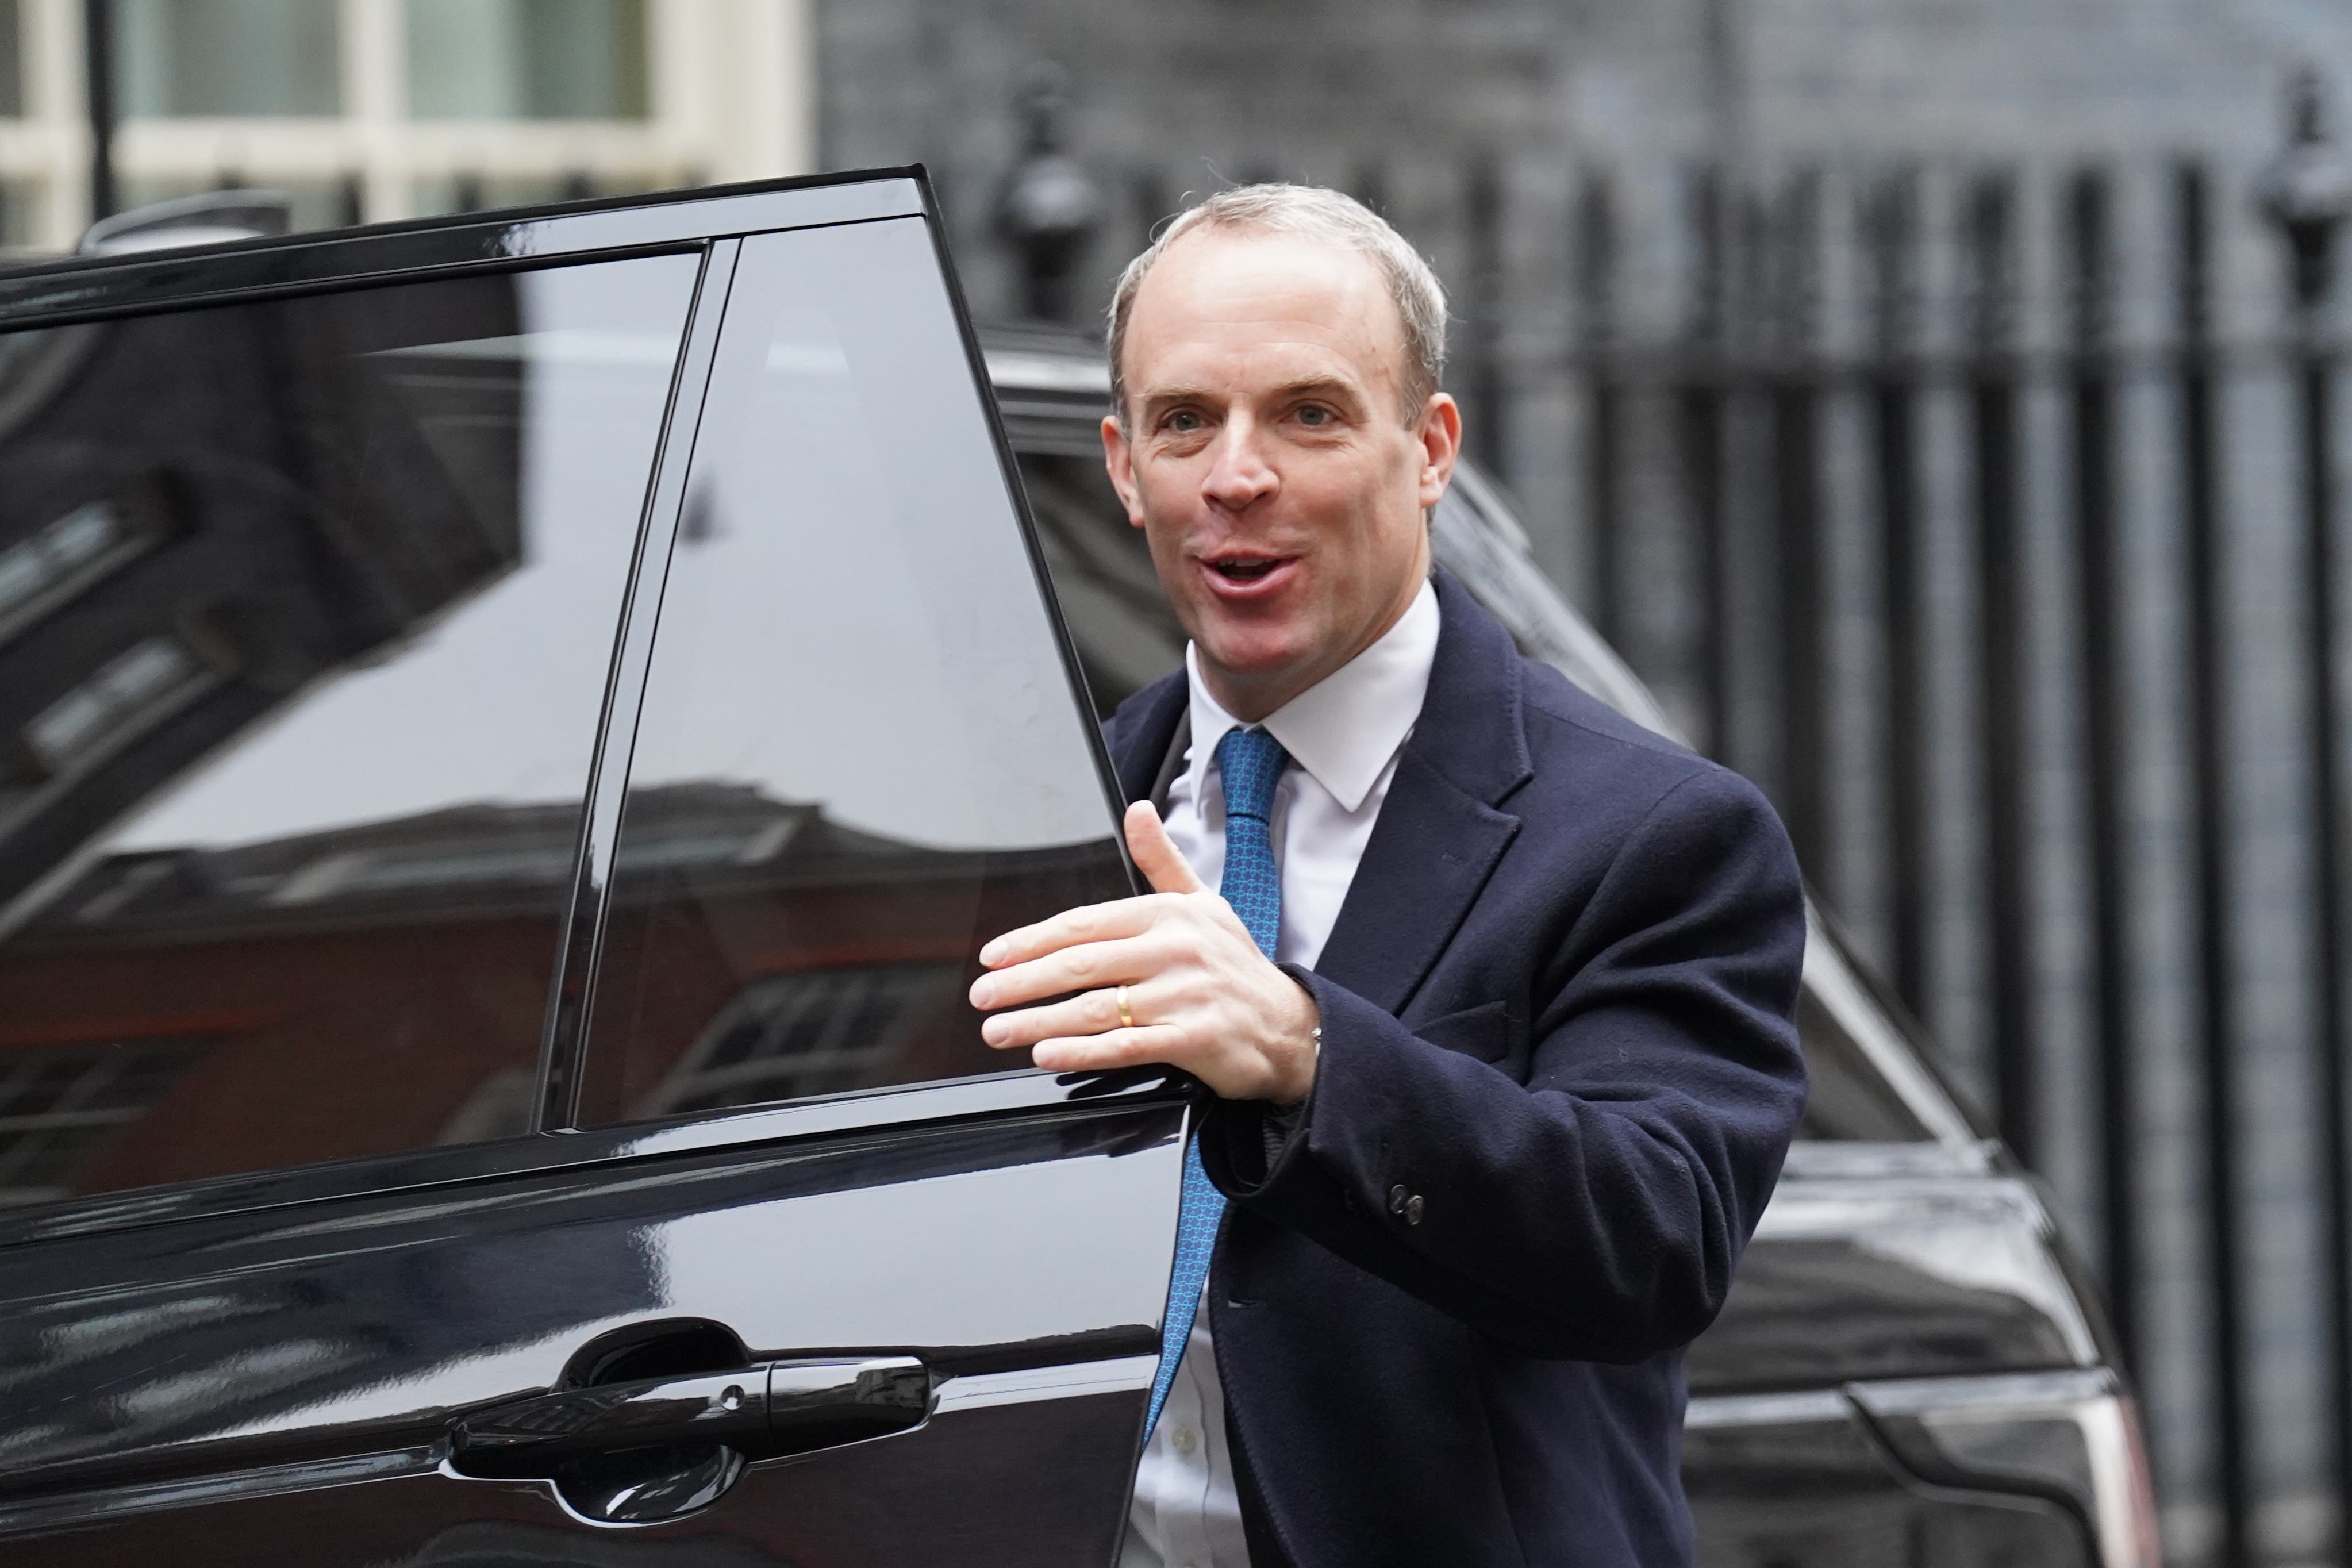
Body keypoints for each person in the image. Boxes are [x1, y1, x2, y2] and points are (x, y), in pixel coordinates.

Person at [967, 184, 1808, 1568]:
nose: (1237, 475)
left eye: (1308, 413)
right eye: (1186, 421)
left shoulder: (1654, 830)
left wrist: (1306, 1052)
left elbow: (1656, 1234)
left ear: (1429, 450)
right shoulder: (1040, 826)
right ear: (1123, 466)